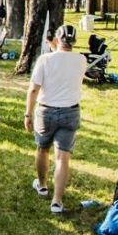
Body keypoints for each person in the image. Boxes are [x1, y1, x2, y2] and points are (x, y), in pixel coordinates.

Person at [24, 25, 86, 213]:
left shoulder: (45, 60)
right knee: (62, 157)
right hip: (70, 111)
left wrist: (28, 113)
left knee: (43, 149)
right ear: (74, 42)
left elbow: (34, 89)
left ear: (57, 40)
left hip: (46, 110)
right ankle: (57, 201)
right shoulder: (81, 60)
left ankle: (42, 185)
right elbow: (67, 66)